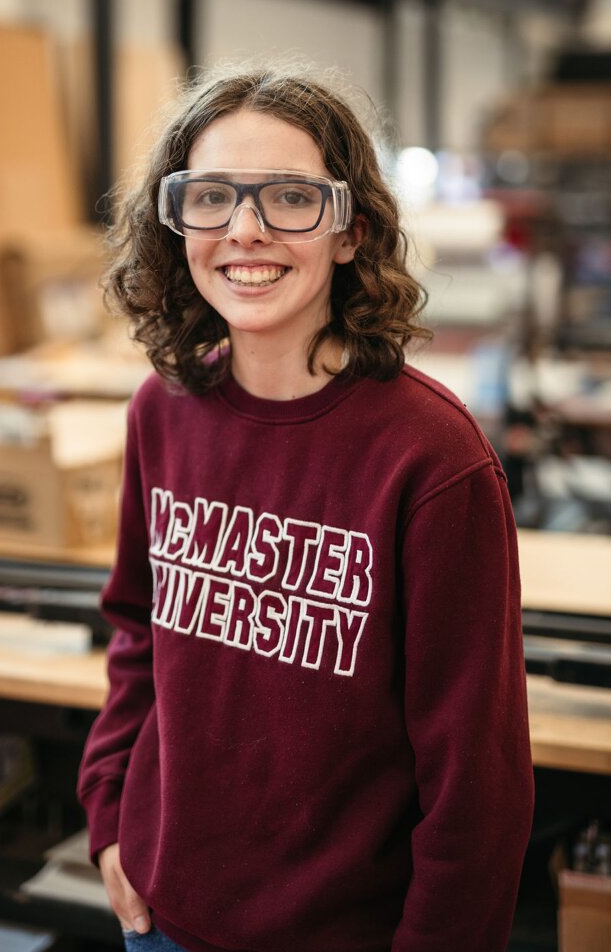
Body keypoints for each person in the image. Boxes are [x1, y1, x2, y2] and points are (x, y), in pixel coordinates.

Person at [77, 63, 534, 952]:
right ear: (176, 226)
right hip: (161, 916)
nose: (244, 231)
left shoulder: (433, 458)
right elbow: (136, 629)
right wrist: (109, 817)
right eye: (209, 197)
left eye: (289, 197)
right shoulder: (162, 408)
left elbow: (476, 775)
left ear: (350, 230)